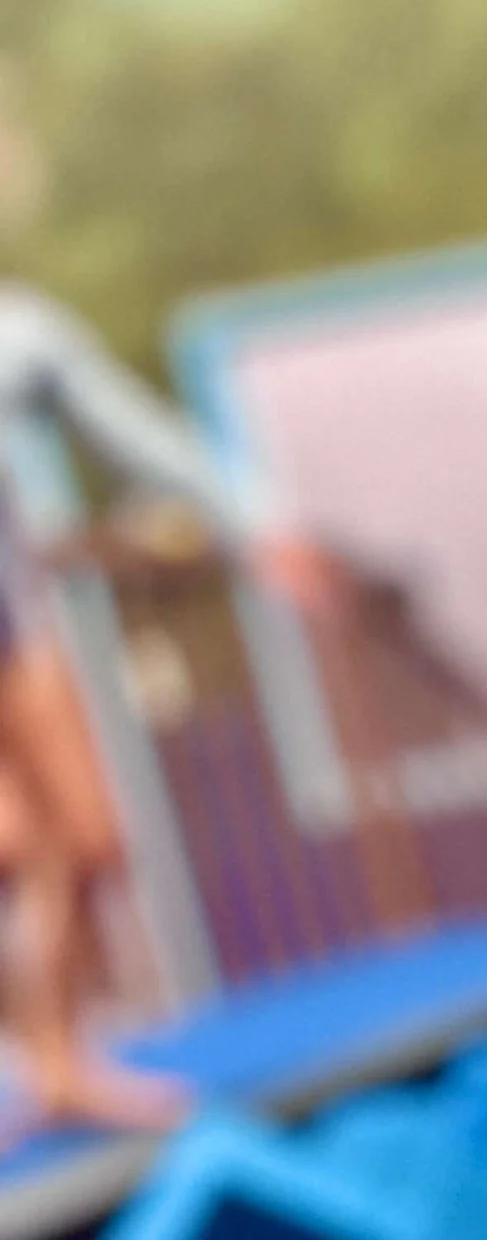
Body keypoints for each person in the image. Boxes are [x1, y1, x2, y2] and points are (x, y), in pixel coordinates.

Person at [0, 284, 235, 1135]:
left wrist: (242, 519)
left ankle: (59, 1058)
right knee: (33, 842)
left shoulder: (18, 334)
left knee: (86, 839)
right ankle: (55, 1064)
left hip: (13, 635)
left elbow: (131, 435)